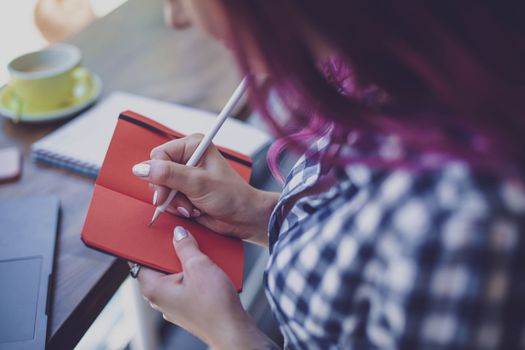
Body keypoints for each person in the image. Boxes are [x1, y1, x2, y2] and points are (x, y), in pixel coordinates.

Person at [129, 1, 525, 349]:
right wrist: (257, 213)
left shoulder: (461, 221)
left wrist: (228, 335)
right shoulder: (383, 74)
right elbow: (370, 241)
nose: (175, 17)